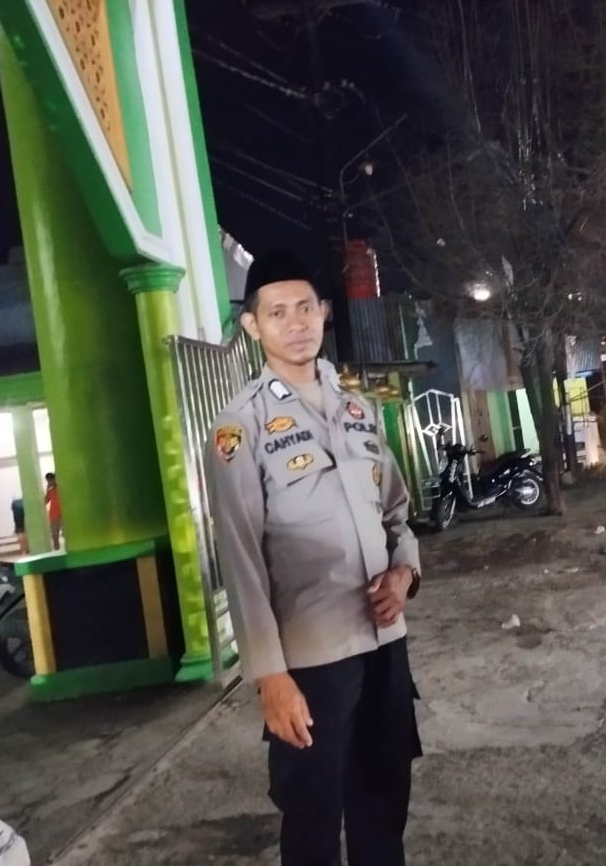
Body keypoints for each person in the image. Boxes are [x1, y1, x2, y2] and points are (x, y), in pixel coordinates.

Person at [207, 250, 423, 866]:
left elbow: (396, 511)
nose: (296, 322)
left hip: (384, 645)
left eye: (305, 307)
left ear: (324, 312)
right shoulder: (239, 428)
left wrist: (405, 572)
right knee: (313, 821)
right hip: (311, 662)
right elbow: (241, 561)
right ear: (252, 326)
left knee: (384, 804)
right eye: (277, 312)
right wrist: (270, 677)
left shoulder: (359, 409)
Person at [44, 473, 64, 549]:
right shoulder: (50, 490)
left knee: (66, 533)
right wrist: (47, 489)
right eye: (48, 481)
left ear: (54, 479)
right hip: (53, 514)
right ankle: (57, 549)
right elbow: (45, 501)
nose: (49, 482)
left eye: (50, 480)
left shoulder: (61, 488)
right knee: (55, 535)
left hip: (63, 514)